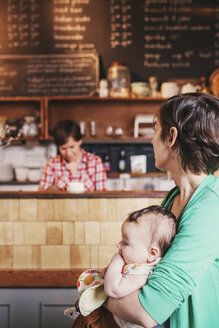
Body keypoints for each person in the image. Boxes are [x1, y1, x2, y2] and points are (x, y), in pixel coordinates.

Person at [71, 92, 219, 328]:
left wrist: (94, 294)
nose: (151, 140)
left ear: (171, 137)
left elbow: (147, 312)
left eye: (155, 129)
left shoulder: (212, 206)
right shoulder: (174, 198)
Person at [67, 205, 176, 328]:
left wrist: (116, 263)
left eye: (126, 243)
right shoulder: (135, 266)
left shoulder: (141, 273)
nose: (118, 245)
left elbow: (113, 290)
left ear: (152, 253)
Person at [39, 120, 107, 191]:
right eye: (63, 148)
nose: (68, 153)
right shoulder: (52, 164)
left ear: (80, 141)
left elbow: (102, 197)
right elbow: (42, 195)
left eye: (72, 147)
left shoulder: (95, 163)